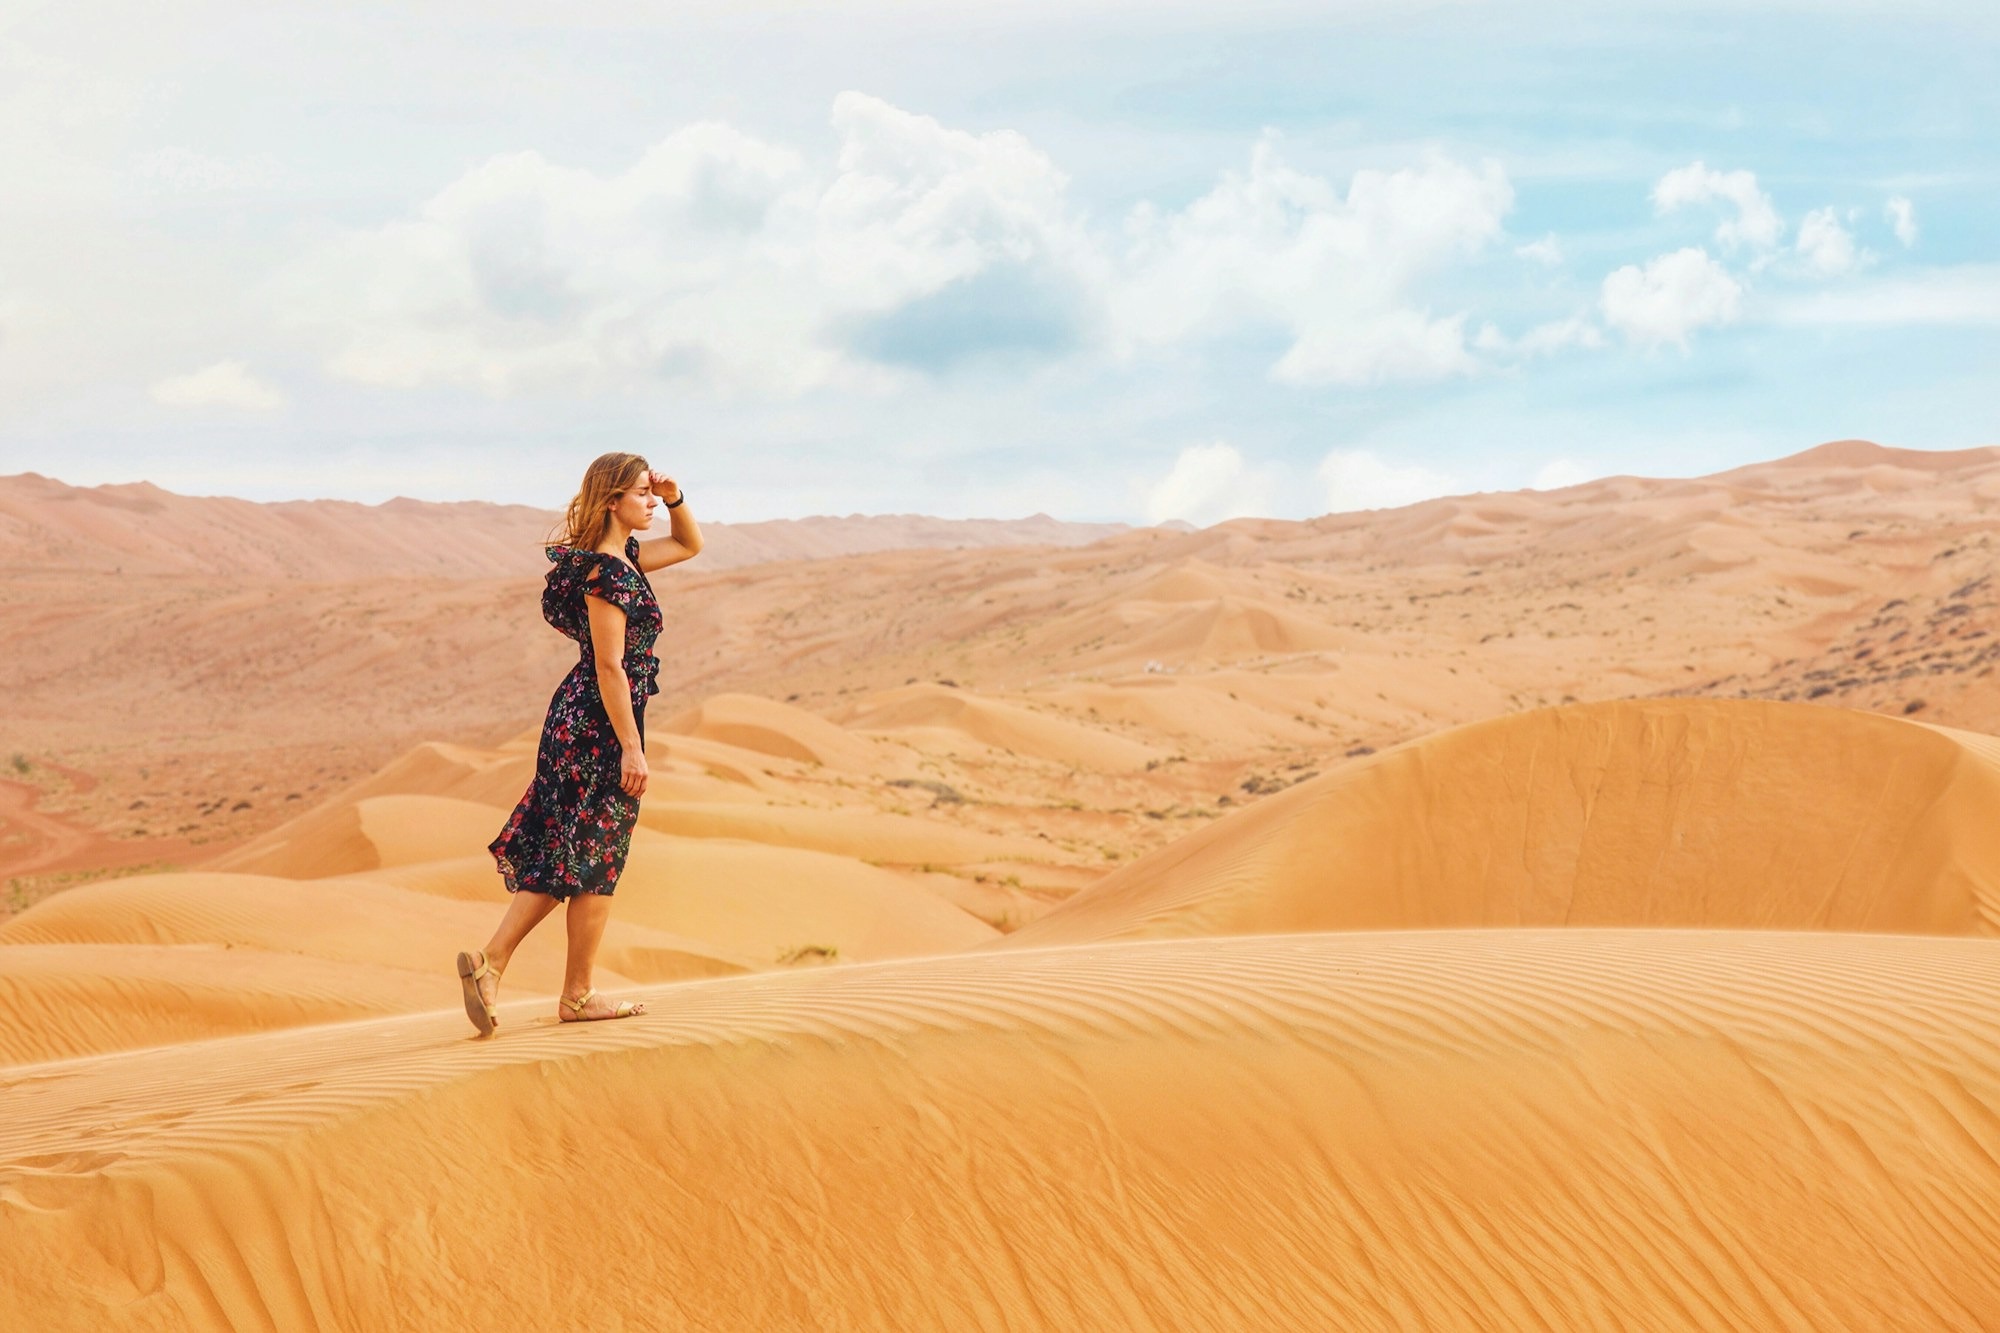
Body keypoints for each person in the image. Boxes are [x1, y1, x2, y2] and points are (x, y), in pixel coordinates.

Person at [456, 453, 703, 1035]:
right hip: (599, 725)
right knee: (597, 858)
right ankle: (577, 993)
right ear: (612, 501)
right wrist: (631, 749)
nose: (650, 502)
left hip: (583, 719)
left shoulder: (615, 561)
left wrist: (674, 494)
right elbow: (611, 667)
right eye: (641, 493)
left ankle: (493, 964)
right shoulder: (610, 576)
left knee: (569, 854)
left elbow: (689, 544)